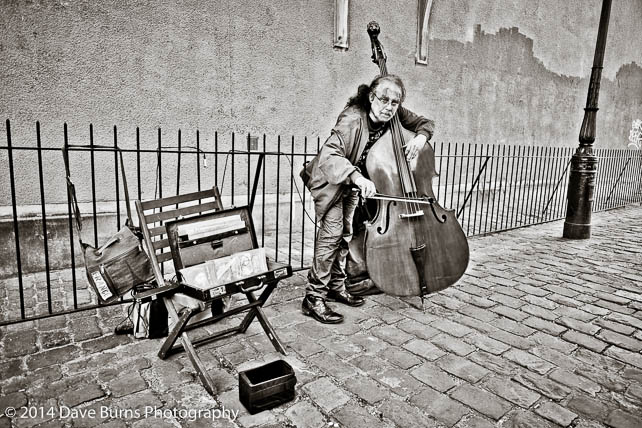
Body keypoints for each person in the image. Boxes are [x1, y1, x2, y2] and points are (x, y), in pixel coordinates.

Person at [299, 74, 435, 324]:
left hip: (353, 185)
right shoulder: (352, 119)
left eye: (395, 102)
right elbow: (330, 155)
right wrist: (358, 178)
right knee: (331, 236)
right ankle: (313, 297)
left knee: (345, 235)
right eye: (384, 100)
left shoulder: (394, 111)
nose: (389, 107)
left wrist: (420, 137)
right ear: (372, 97)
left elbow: (425, 122)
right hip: (333, 181)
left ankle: (335, 287)